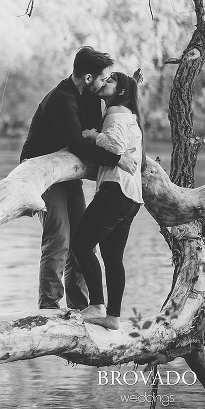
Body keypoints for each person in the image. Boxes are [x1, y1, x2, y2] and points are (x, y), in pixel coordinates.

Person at [20, 46, 137, 311]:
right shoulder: (62, 98)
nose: (106, 82)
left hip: (68, 174)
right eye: (103, 78)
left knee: (82, 241)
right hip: (42, 173)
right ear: (87, 78)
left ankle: (79, 308)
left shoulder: (90, 98)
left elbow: (96, 136)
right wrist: (118, 160)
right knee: (59, 239)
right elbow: (76, 142)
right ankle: (49, 308)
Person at [73, 71, 145, 330]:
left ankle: (96, 306)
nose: (104, 83)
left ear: (121, 91)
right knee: (113, 258)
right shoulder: (131, 117)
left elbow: (114, 147)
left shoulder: (115, 111)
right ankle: (113, 317)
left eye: (110, 80)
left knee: (80, 244)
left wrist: (93, 135)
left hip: (115, 191)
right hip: (131, 196)